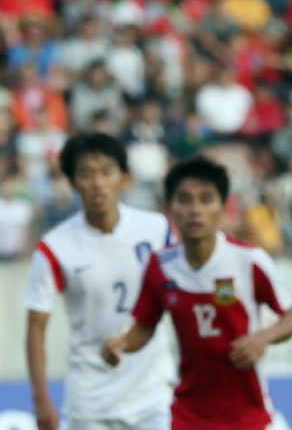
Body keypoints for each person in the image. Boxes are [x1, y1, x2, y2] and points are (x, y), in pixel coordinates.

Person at [101, 156, 292, 430]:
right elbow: (145, 326)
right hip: (189, 415)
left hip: (249, 415)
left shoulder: (249, 260)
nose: (195, 210)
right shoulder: (160, 267)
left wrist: (262, 338)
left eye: (206, 199)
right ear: (169, 209)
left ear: (222, 207)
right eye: (184, 200)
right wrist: (122, 344)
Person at [25, 132, 176, 430]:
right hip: (91, 400)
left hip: (154, 393)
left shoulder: (156, 229)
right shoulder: (54, 247)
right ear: (71, 183)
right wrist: (41, 399)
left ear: (124, 178)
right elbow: (36, 328)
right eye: (86, 174)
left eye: (107, 171)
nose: (98, 183)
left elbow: (181, 294)